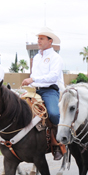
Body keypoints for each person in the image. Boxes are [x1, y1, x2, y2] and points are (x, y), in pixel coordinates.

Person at [21, 27, 65, 160]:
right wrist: (30, 83)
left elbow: (52, 77)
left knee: (53, 113)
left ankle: (59, 143)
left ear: (50, 41)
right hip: (34, 90)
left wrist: (33, 79)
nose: (38, 41)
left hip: (49, 90)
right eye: (38, 38)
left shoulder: (56, 57)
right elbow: (34, 75)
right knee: (17, 108)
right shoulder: (36, 57)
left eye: (41, 38)